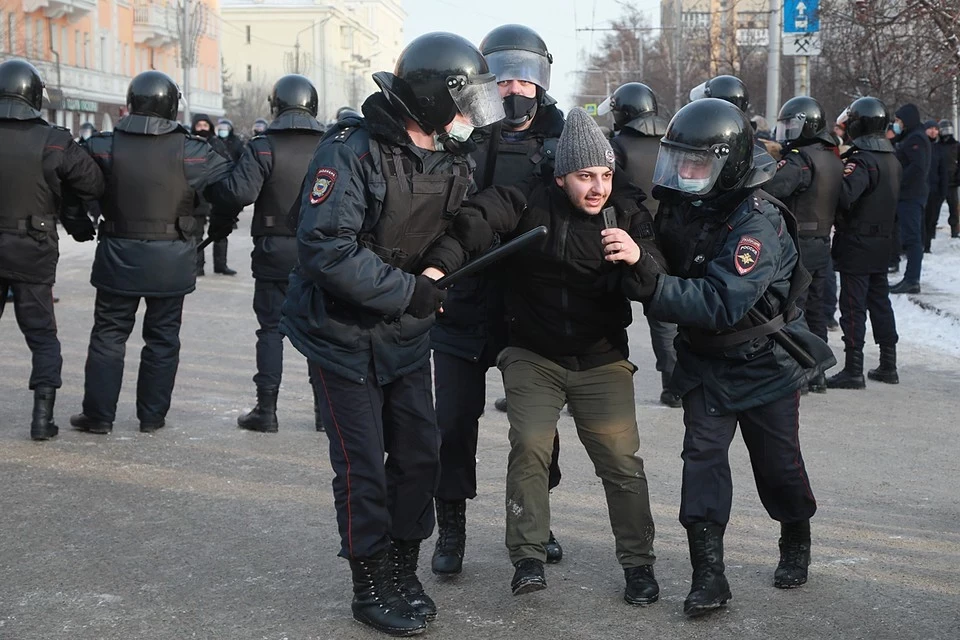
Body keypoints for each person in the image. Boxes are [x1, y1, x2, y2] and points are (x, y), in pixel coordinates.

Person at [278, 33, 503, 636]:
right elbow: (326, 248)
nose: (471, 118)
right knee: (362, 467)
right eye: (464, 102)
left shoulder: (452, 154)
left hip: (405, 331)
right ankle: (369, 580)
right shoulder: (349, 152)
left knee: (418, 455)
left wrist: (436, 271)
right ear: (431, 99)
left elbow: (462, 224)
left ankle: (405, 565)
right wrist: (408, 291)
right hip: (340, 332)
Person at [633, 98, 833, 617]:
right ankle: (709, 575)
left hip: (765, 362)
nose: (684, 174)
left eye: (696, 164)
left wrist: (651, 283)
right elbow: (654, 243)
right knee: (701, 464)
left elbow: (722, 302)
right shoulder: (682, 204)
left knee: (778, 466)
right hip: (705, 365)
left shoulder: (757, 222)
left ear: (730, 163)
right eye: (679, 161)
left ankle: (795, 536)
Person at [457, 107, 663, 604]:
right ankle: (528, 557)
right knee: (530, 443)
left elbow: (658, 282)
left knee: (620, 460)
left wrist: (637, 258)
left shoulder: (626, 213)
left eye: (606, 175)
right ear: (560, 176)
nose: (597, 187)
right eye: (584, 176)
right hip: (534, 353)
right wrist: (457, 249)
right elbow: (481, 216)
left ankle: (638, 564)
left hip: (601, 357)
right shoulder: (531, 201)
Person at [429, 23, 567, 577]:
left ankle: (537, 519)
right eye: (503, 78)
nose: (514, 90)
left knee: (537, 429)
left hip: (529, 305)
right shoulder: (458, 133)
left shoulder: (565, 137)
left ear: (541, 80)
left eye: (524, 78)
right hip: (462, 297)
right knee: (452, 423)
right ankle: (451, 528)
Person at [70, 71, 236, 436]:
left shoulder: (102, 145)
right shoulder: (193, 151)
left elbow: (70, 178)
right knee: (162, 339)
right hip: (171, 257)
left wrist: (80, 221)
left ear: (130, 104)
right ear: (173, 108)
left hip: (118, 252)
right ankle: (152, 416)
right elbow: (233, 186)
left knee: (109, 335)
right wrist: (219, 223)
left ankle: (99, 416)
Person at [207, 74, 325, 433]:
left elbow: (238, 192)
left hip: (274, 251)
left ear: (275, 106)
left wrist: (214, 191)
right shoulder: (332, 143)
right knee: (321, 334)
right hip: (322, 252)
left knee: (271, 330)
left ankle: (267, 409)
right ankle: (324, 413)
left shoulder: (263, 145)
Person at [0, 59, 105, 440]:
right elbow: (92, 183)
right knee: (42, 335)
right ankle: (42, 419)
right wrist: (74, 215)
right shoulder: (54, 140)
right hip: (33, 245)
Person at [599, 81, 681, 408]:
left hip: (622, 232)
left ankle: (583, 390)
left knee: (598, 312)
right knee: (664, 312)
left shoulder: (615, 147)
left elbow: (604, 194)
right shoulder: (674, 143)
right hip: (668, 236)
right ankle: (674, 386)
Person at [765, 96, 843, 393]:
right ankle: (819, 371)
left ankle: (800, 370)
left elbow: (774, 186)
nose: (787, 133)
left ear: (807, 126)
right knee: (817, 309)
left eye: (792, 126)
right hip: (823, 241)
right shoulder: (830, 156)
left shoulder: (801, 159)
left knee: (793, 307)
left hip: (798, 243)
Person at [826, 97, 902, 389]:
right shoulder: (891, 159)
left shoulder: (861, 161)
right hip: (882, 243)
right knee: (880, 303)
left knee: (853, 306)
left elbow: (845, 196)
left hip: (857, 242)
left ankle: (853, 369)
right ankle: (888, 364)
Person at [889, 103, 930, 293]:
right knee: (908, 237)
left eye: (898, 120)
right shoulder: (909, 137)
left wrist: (899, 180)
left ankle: (912, 279)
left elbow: (916, 168)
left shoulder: (916, 139)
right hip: (907, 195)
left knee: (913, 239)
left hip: (911, 196)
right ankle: (909, 277)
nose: (896, 124)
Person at [923, 120, 948, 252]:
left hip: (934, 190)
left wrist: (943, 192)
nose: (933, 132)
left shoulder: (939, 149)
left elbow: (943, 172)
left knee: (931, 219)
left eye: (936, 129)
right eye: (930, 129)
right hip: (920, 190)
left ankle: (927, 245)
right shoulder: (920, 145)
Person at [938, 120, 959, 237]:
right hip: (939, 181)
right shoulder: (937, 146)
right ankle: (930, 232)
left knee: (953, 209)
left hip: (952, 182)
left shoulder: (956, 145)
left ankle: (954, 231)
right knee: (934, 209)